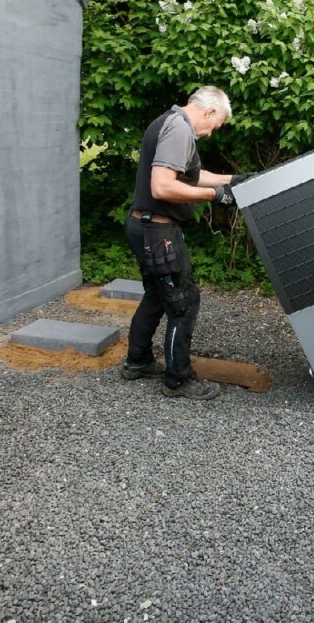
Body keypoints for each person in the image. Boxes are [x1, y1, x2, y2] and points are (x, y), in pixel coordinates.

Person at [118, 86, 241, 401]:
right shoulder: (179, 129)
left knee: (157, 297)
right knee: (183, 302)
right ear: (209, 111)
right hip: (158, 232)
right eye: (217, 124)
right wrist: (216, 196)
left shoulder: (170, 122)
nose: (212, 133)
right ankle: (178, 379)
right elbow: (162, 187)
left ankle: (138, 361)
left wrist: (232, 181)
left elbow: (193, 176)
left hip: (144, 226)